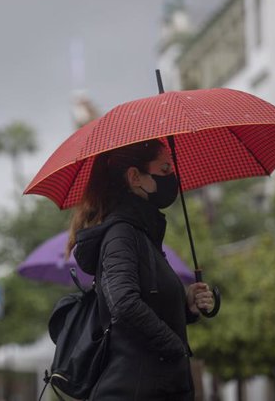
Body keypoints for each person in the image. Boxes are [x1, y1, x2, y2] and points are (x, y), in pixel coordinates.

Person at [68, 139, 214, 401]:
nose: (173, 176)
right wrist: (174, 347)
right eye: (165, 169)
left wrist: (186, 305)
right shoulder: (121, 235)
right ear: (135, 177)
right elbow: (123, 304)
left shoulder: (144, 234)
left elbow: (148, 302)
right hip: (134, 389)